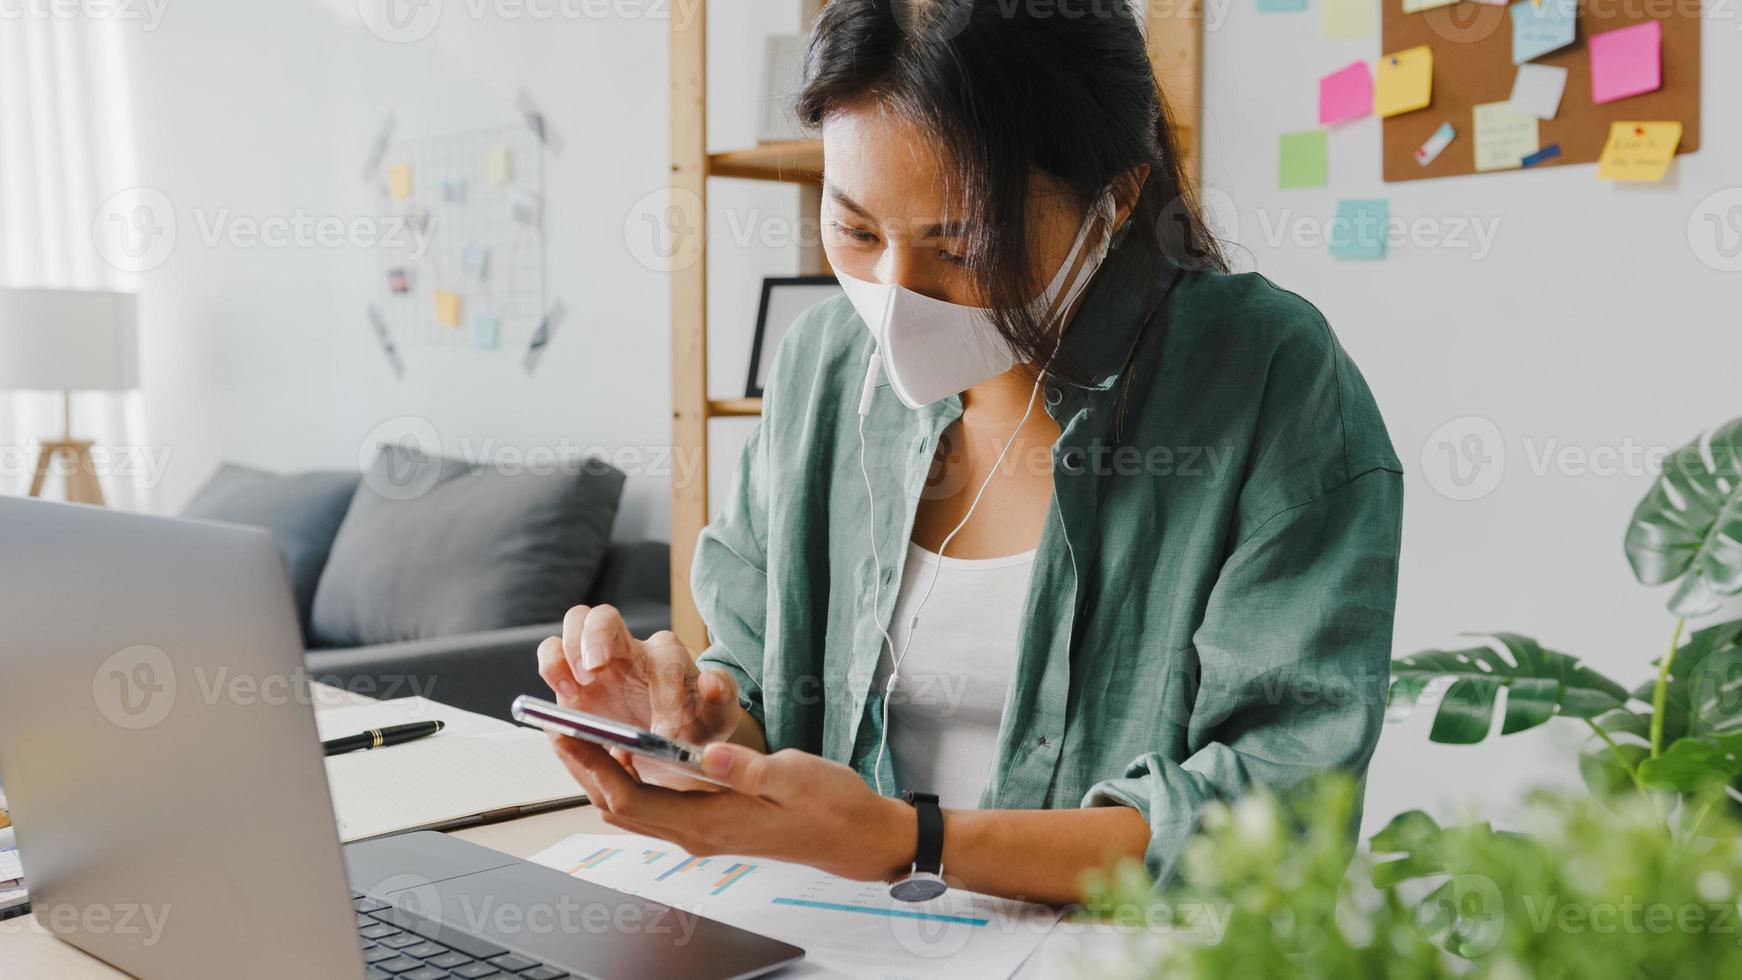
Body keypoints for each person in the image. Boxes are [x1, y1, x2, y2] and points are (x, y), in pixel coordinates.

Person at [537, 0, 1402, 907]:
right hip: (830, 937)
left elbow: (1279, 809)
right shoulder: (823, 365)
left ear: (1117, 197)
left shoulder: (1269, 379)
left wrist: (912, 842)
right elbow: (757, 683)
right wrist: (687, 728)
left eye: (964, 245)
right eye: (858, 231)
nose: (895, 293)